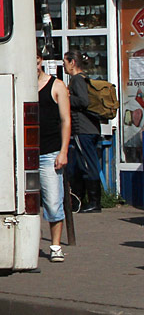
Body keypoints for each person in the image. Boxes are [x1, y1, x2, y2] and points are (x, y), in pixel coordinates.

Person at [39, 52, 71, 263]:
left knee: (52, 201)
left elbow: (66, 120)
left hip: (49, 152)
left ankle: (56, 246)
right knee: (26, 205)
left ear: (39, 61)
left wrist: (63, 151)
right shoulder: (19, 83)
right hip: (24, 153)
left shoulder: (56, 85)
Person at [64, 49, 103, 213]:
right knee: (83, 164)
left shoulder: (77, 80)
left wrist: (66, 97)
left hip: (83, 129)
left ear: (72, 62)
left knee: (88, 165)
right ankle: (83, 199)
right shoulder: (84, 79)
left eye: (65, 62)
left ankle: (95, 202)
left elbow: (83, 101)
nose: (64, 66)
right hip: (91, 128)